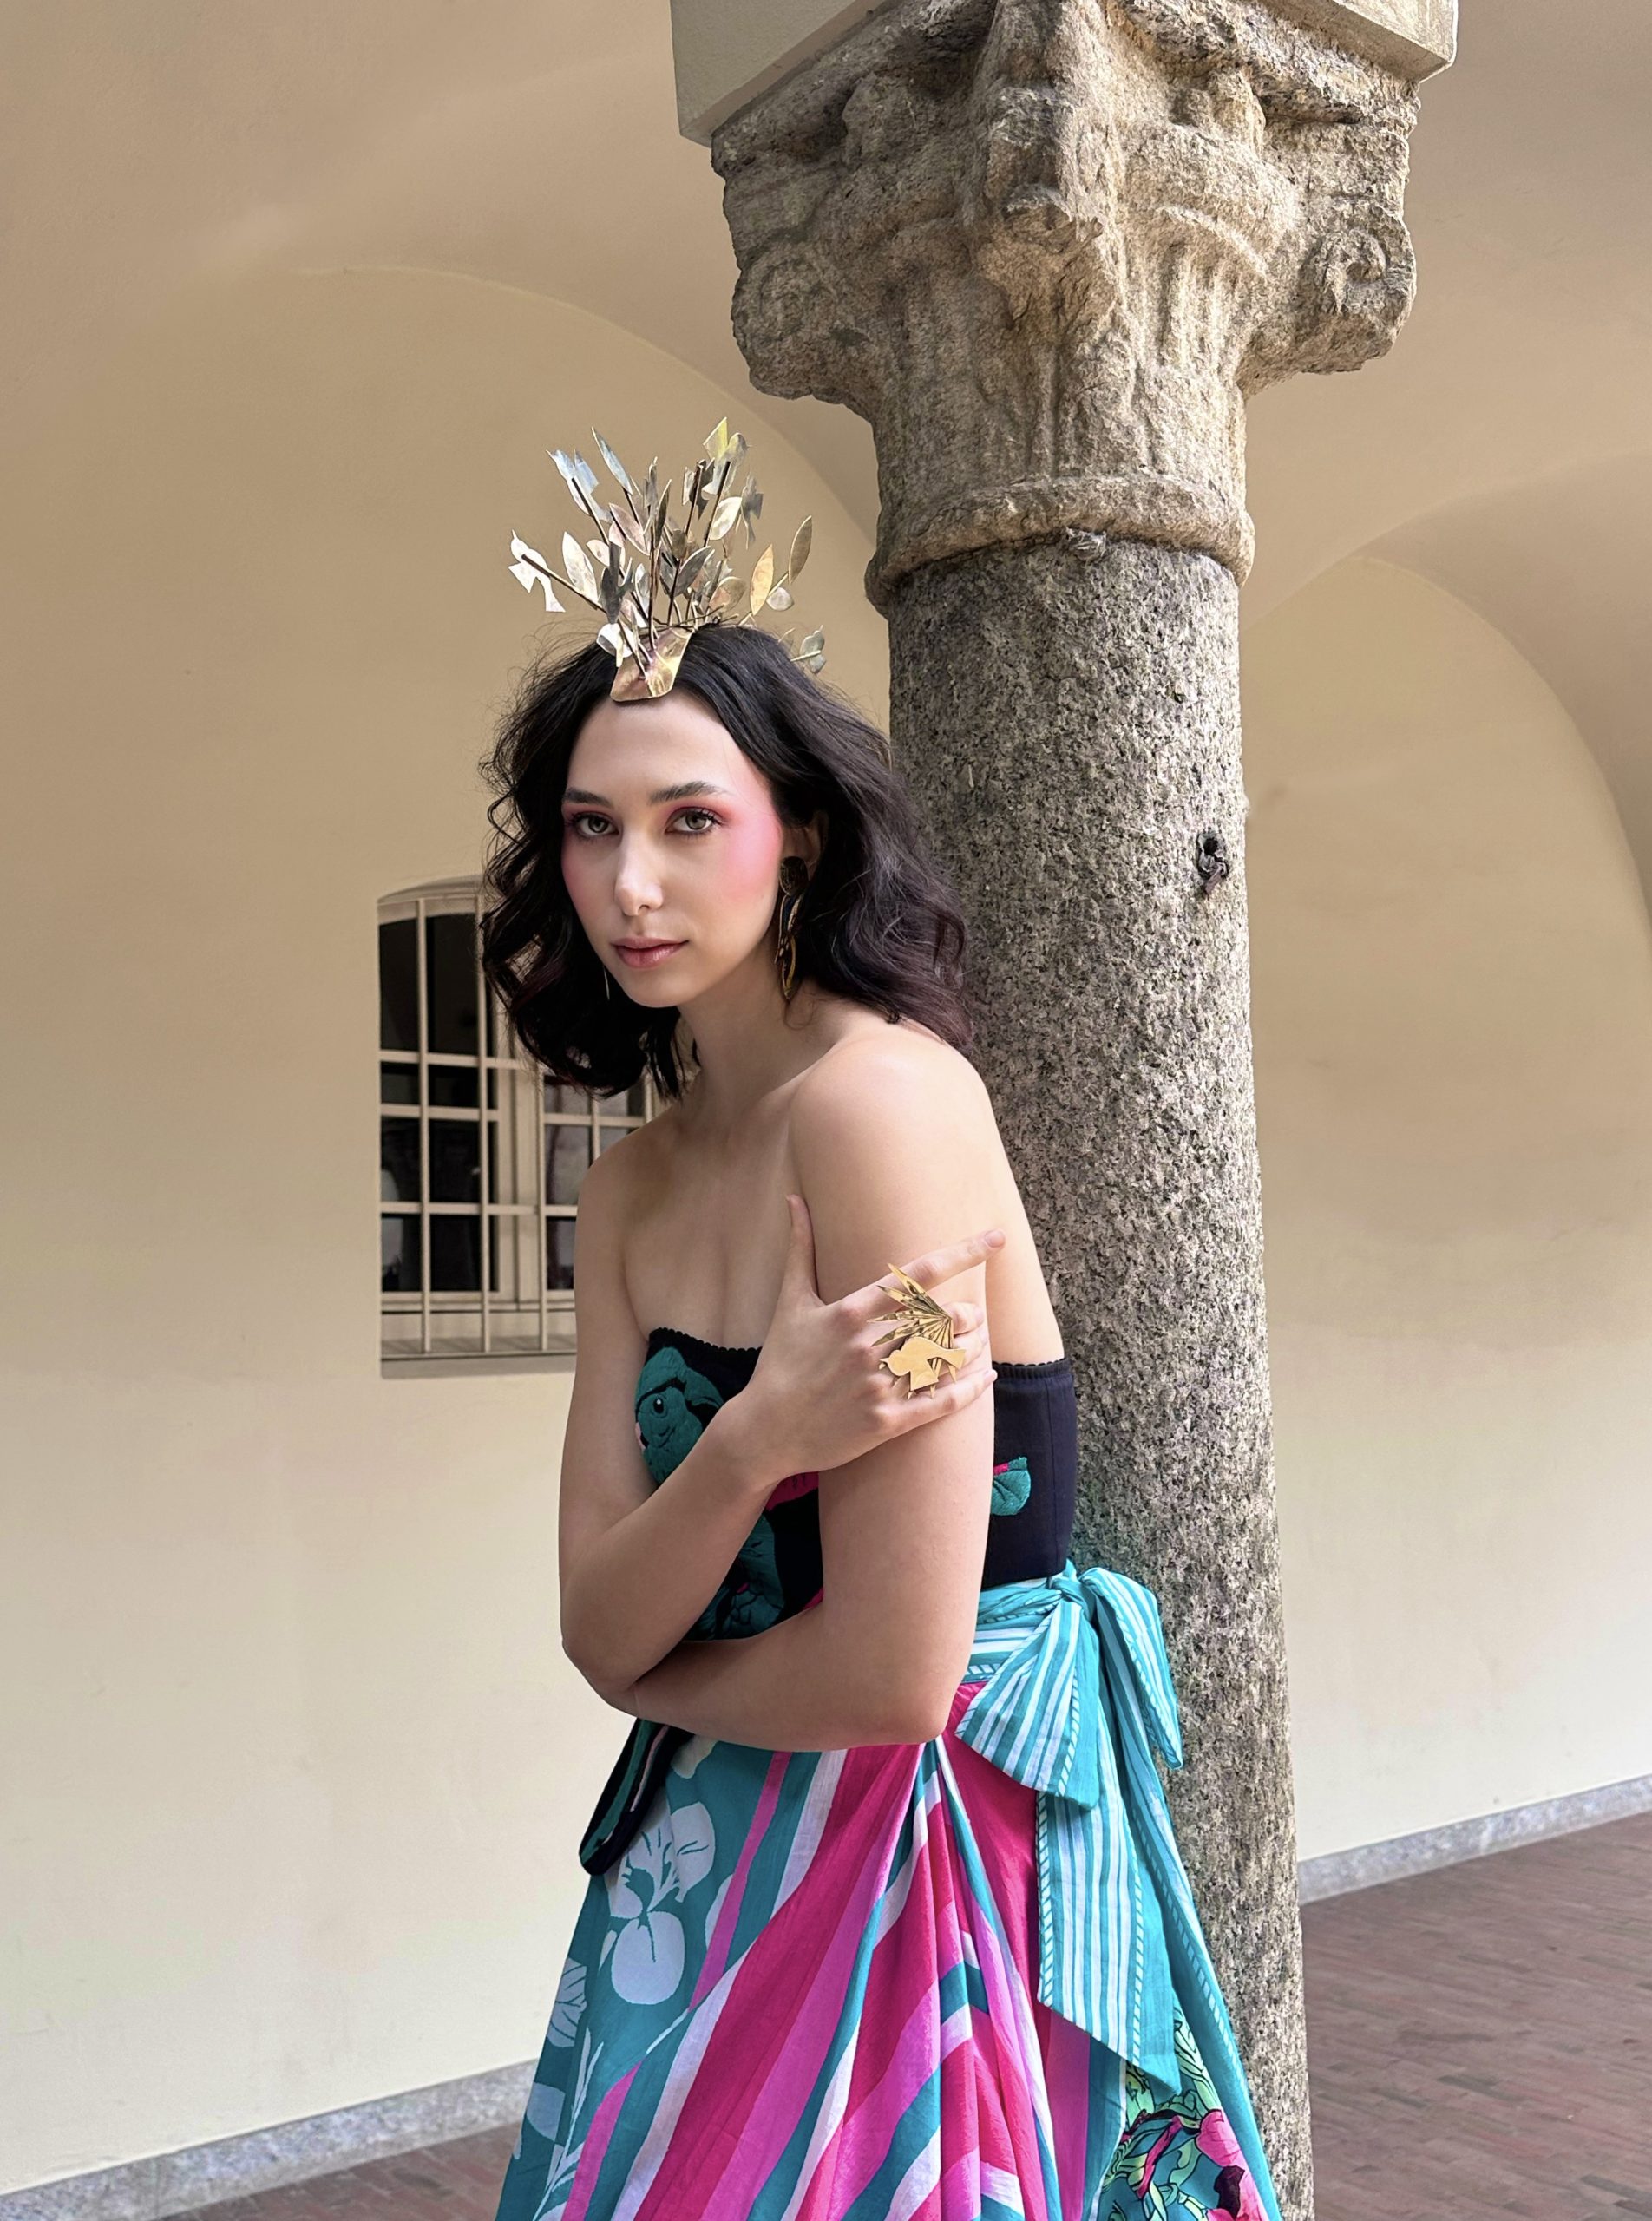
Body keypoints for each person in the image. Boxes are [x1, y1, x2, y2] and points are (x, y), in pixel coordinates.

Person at [481, 429, 1281, 2221]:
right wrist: (760, 1437)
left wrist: (659, 1683)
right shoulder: (632, 1190)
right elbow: (592, 1614)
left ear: (805, 833)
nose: (632, 884)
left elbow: (899, 1669)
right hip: (707, 1868)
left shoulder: (886, 1111)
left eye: (691, 821)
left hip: (914, 1857)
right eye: (594, 827)